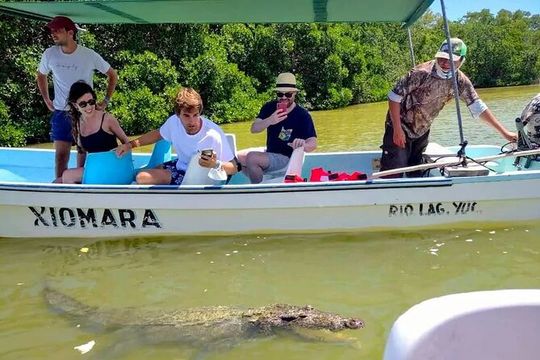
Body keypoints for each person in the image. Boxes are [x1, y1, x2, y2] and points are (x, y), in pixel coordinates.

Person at [380, 38, 517, 178]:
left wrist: (504, 133)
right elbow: (394, 97)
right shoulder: (421, 73)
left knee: (416, 171)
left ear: (461, 61)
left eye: (451, 60)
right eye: (442, 58)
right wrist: (397, 129)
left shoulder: (460, 80)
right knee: (393, 170)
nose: (445, 63)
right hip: (399, 126)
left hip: (422, 130)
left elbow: (478, 107)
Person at [36, 16, 118, 182]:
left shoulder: (89, 55)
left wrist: (106, 100)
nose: (53, 33)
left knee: (86, 154)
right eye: (52, 30)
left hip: (85, 114)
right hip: (61, 112)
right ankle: (60, 190)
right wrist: (46, 99)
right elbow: (40, 75)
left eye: (58, 30)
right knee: (60, 156)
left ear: (70, 32)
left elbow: (112, 75)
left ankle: (84, 191)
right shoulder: (49, 54)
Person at [116, 87, 238, 185]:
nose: (192, 121)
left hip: (197, 177)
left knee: (141, 177)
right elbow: (157, 134)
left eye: (195, 115)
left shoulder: (212, 135)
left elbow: (234, 167)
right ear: (178, 114)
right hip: (180, 164)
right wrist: (129, 145)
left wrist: (215, 164)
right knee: (141, 171)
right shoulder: (173, 122)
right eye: (186, 116)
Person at [239, 72, 317, 183]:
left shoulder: (302, 115)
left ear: (294, 94)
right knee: (237, 157)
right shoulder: (269, 107)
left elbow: (313, 143)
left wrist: (302, 144)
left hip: (286, 157)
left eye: (288, 94)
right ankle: (262, 180)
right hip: (270, 153)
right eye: (280, 94)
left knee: (252, 158)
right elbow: (254, 129)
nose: (284, 97)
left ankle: (258, 191)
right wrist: (270, 120)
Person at [61, 81, 129, 184]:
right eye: (83, 104)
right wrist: (79, 172)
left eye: (91, 102)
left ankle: (82, 200)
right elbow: (81, 151)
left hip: (112, 167)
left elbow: (127, 143)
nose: (88, 107)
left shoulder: (107, 119)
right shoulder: (78, 123)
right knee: (57, 181)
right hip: (94, 169)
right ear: (75, 105)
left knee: (67, 175)